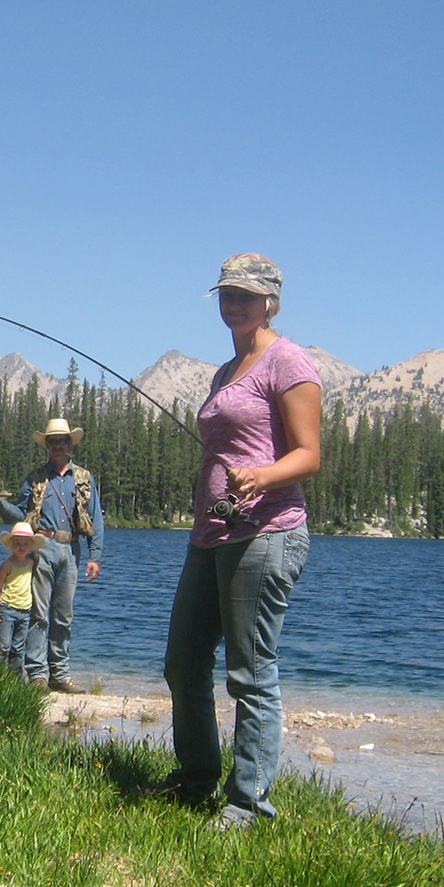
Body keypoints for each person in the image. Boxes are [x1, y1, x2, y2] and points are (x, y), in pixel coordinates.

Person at [159, 253, 321, 828]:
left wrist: (262, 476)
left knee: (250, 674)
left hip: (267, 533)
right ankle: (197, 777)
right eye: (227, 294)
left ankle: (247, 802)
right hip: (210, 535)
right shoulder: (225, 371)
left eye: (245, 296)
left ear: (270, 302)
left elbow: (309, 454)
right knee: (183, 662)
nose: (233, 304)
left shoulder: (288, 361)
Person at [0, 418, 104, 693]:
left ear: (71, 444)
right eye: (53, 441)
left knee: (64, 616)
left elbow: (96, 519)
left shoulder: (84, 478)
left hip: (72, 551)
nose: (58, 445)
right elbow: (20, 516)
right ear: (46, 445)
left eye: (63, 441)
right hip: (42, 548)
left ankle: (60, 674)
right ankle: (37, 674)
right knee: (39, 614)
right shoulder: (34, 478)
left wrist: (95, 556)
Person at [0, 521, 44, 678]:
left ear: (31, 547)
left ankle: (15, 679)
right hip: (8, 609)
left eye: (25, 544)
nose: (21, 547)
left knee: (18, 648)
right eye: (18, 543)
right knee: (3, 646)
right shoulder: (7, 565)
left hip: (25, 611)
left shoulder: (31, 563)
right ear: (12, 545)